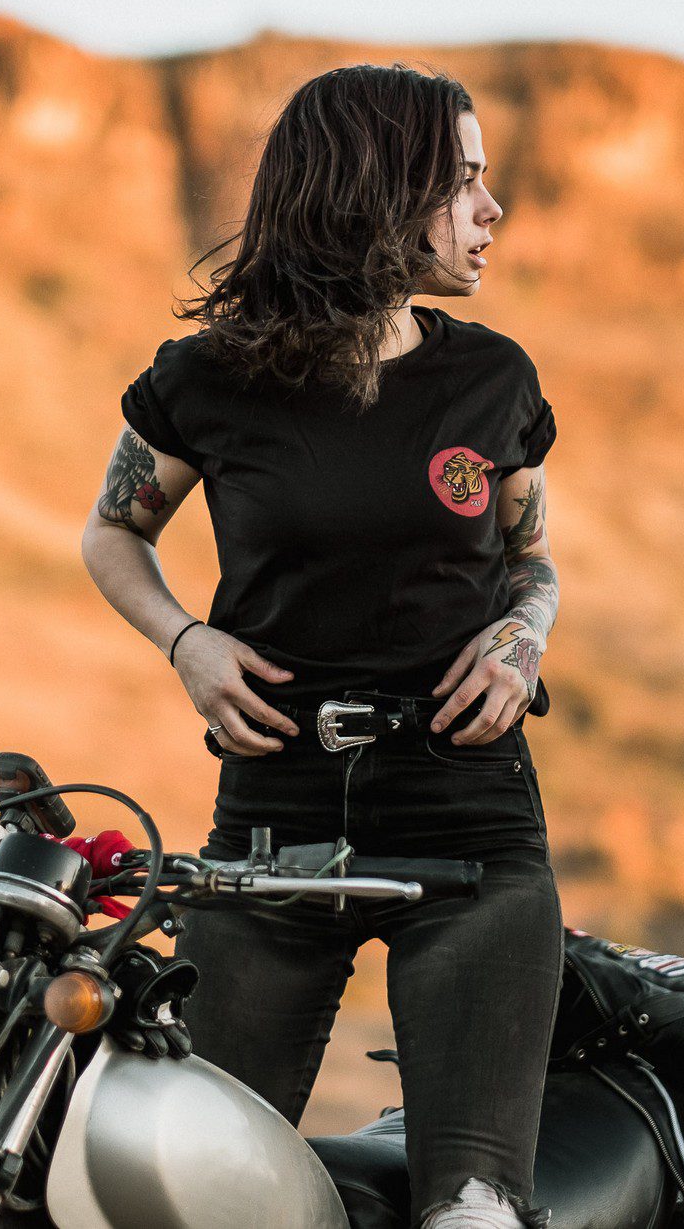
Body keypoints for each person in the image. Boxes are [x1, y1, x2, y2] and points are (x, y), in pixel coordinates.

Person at [79, 62, 563, 1229]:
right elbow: (111, 533)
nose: (490, 212)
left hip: (467, 824)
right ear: (373, 195)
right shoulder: (205, 380)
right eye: (462, 183)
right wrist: (185, 642)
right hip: (269, 825)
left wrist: (520, 638)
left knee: (474, 1216)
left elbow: (530, 561)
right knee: (179, 1196)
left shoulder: (490, 380)